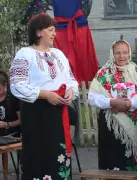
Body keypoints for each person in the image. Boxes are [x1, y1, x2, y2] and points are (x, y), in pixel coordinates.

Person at [9, 13, 78, 180]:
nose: (54, 34)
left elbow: (71, 80)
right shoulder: (25, 54)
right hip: (36, 112)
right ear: (38, 32)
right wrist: (44, 94)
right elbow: (17, 85)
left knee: (58, 153)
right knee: (39, 154)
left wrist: (70, 91)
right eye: (50, 30)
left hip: (58, 112)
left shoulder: (58, 54)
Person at [88, 40, 137, 171]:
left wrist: (131, 103)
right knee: (112, 158)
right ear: (112, 54)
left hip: (134, 121)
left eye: (125, 52)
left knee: (131, 161)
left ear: (129, 53)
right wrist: (111, 102)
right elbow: (92, 97)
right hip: (111, 125)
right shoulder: (103, 73)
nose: (121, 56)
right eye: (117, 53)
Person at [0, 71, 21, 137]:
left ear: (5, 85)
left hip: (13, 135)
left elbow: (22, 120)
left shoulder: (14, 98)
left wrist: (7, 124)